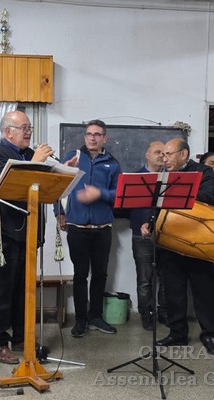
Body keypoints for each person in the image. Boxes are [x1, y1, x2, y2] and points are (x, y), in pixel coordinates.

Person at [0, 110, 54, 364]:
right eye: (22, 127)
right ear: (7, 131)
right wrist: (36, 161)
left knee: (25, 291)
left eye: (29, 127)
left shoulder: (27, 154)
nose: (28, 131)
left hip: (28, 234)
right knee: (2, 291)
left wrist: (58, 172)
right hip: (3, 236)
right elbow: (3, 183)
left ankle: (24, 337)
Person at [153, 138, 214, 355]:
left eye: (168, 154)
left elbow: (209, 196)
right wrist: (149, 221)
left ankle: (209, 333)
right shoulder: (162, 175)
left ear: (183, 154)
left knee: (204, 291)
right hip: (170, 240)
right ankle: (177, 333)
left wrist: (178, 192)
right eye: (162, 155)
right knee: (173, 291)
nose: (164, 159)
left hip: (197, 241)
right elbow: (154, 203)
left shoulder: (204, 172)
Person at [56, 119, 122, 338]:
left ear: (105, 138)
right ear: (85, 136)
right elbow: (57, 186)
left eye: (97, 134)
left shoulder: (112, 163)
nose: (92, 138)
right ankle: (81, 319)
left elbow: (119, 195)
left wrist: (99, 194)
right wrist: (60, 213)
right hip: (77, 227)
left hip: (102, 228)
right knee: (80, 275)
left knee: (100, 274)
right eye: (89, 134)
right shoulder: (72, 158)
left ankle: (96, 316)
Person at [130, 141, 165, 331]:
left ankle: (165, 312)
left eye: (164, 152)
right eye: (157, 152)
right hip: (141, 236)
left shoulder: (172, 178)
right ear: (147, 155)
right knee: (145, 279)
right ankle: (146, 313)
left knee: (167, 277)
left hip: (168, 235)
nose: (161, 155)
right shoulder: (135, 178)